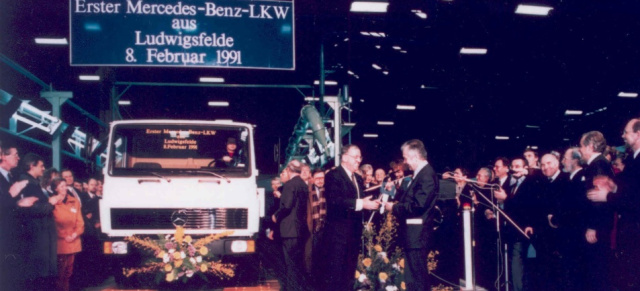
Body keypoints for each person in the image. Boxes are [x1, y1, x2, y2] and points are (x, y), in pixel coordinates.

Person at [587, 119, 640, 291]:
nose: (622, 136)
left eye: (626, 132)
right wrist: (613, 185)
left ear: (638, 134)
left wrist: (608, 196)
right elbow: (629, 189)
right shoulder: (633, 158)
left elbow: (635, 199)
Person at [318, 145, 380, 291]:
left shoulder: (358, 178)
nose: (358, 160)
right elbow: (335, 202)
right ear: (344, 157)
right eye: (355, 157)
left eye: (360, 157)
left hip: (354, 234)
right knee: (335, 273)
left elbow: (360, 201)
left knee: (349, 273)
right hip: (338, 235)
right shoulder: (333, 176)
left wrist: (371, 202)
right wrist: (362, 203)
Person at [384, 139, 439, 291]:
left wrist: (394, 208)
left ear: (415, 157)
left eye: (406, 158)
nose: (405, 162)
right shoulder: (420, 174)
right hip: (413, 235)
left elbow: (418, 205)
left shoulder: (426, 175)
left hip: (417, 235)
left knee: (416, 278)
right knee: (414, 277)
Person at [16, 153, 62, 290]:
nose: (43, 169)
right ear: (32, 166)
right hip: (38, 237)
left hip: (40, 236)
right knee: (39, 275)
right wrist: (50, 203)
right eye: (41, 166)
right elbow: (32, 210)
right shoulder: (27, 184)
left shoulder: (33, 184)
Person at [578, 131, 615, 291]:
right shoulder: (598, 164)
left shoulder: (598, 165)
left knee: (597, 272)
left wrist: (593, 226)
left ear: (590, 147)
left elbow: (598, 198)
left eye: (581, 146)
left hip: (597, 228)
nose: (580, 150)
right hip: (599, 225)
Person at [272, 160, 311, 291]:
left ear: (289, 169)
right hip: (300, 230)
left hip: (289, 231)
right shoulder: (303, 185)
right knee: (298, 264)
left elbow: (287, 206)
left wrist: (276, 215)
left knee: (290, 266)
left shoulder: (289, 185)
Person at [51, 178, 84, 291]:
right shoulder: (52, 202)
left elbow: (80, 222)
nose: (64, 188)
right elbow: (53, 223)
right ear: (55, 189)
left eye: (65, 186)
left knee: (69, 271)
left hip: (73, 240)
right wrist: (64, 235)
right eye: (61, 186)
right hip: (60, 242)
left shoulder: (74, 201)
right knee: (60, 271)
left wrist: (75, 234)